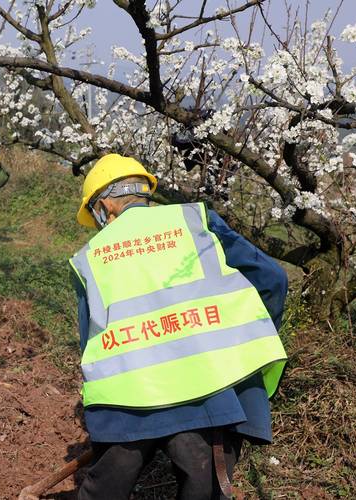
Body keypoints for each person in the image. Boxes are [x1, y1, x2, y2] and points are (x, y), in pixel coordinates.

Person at [69, 154, 288, 500]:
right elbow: (272, 280)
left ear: (106, 204)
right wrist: (244, 338)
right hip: (207, 392)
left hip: (126, 402)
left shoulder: (90, 257)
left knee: (102, 491)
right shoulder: (196, 222)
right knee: (205, 484)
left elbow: (89, 343)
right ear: (143, 193)